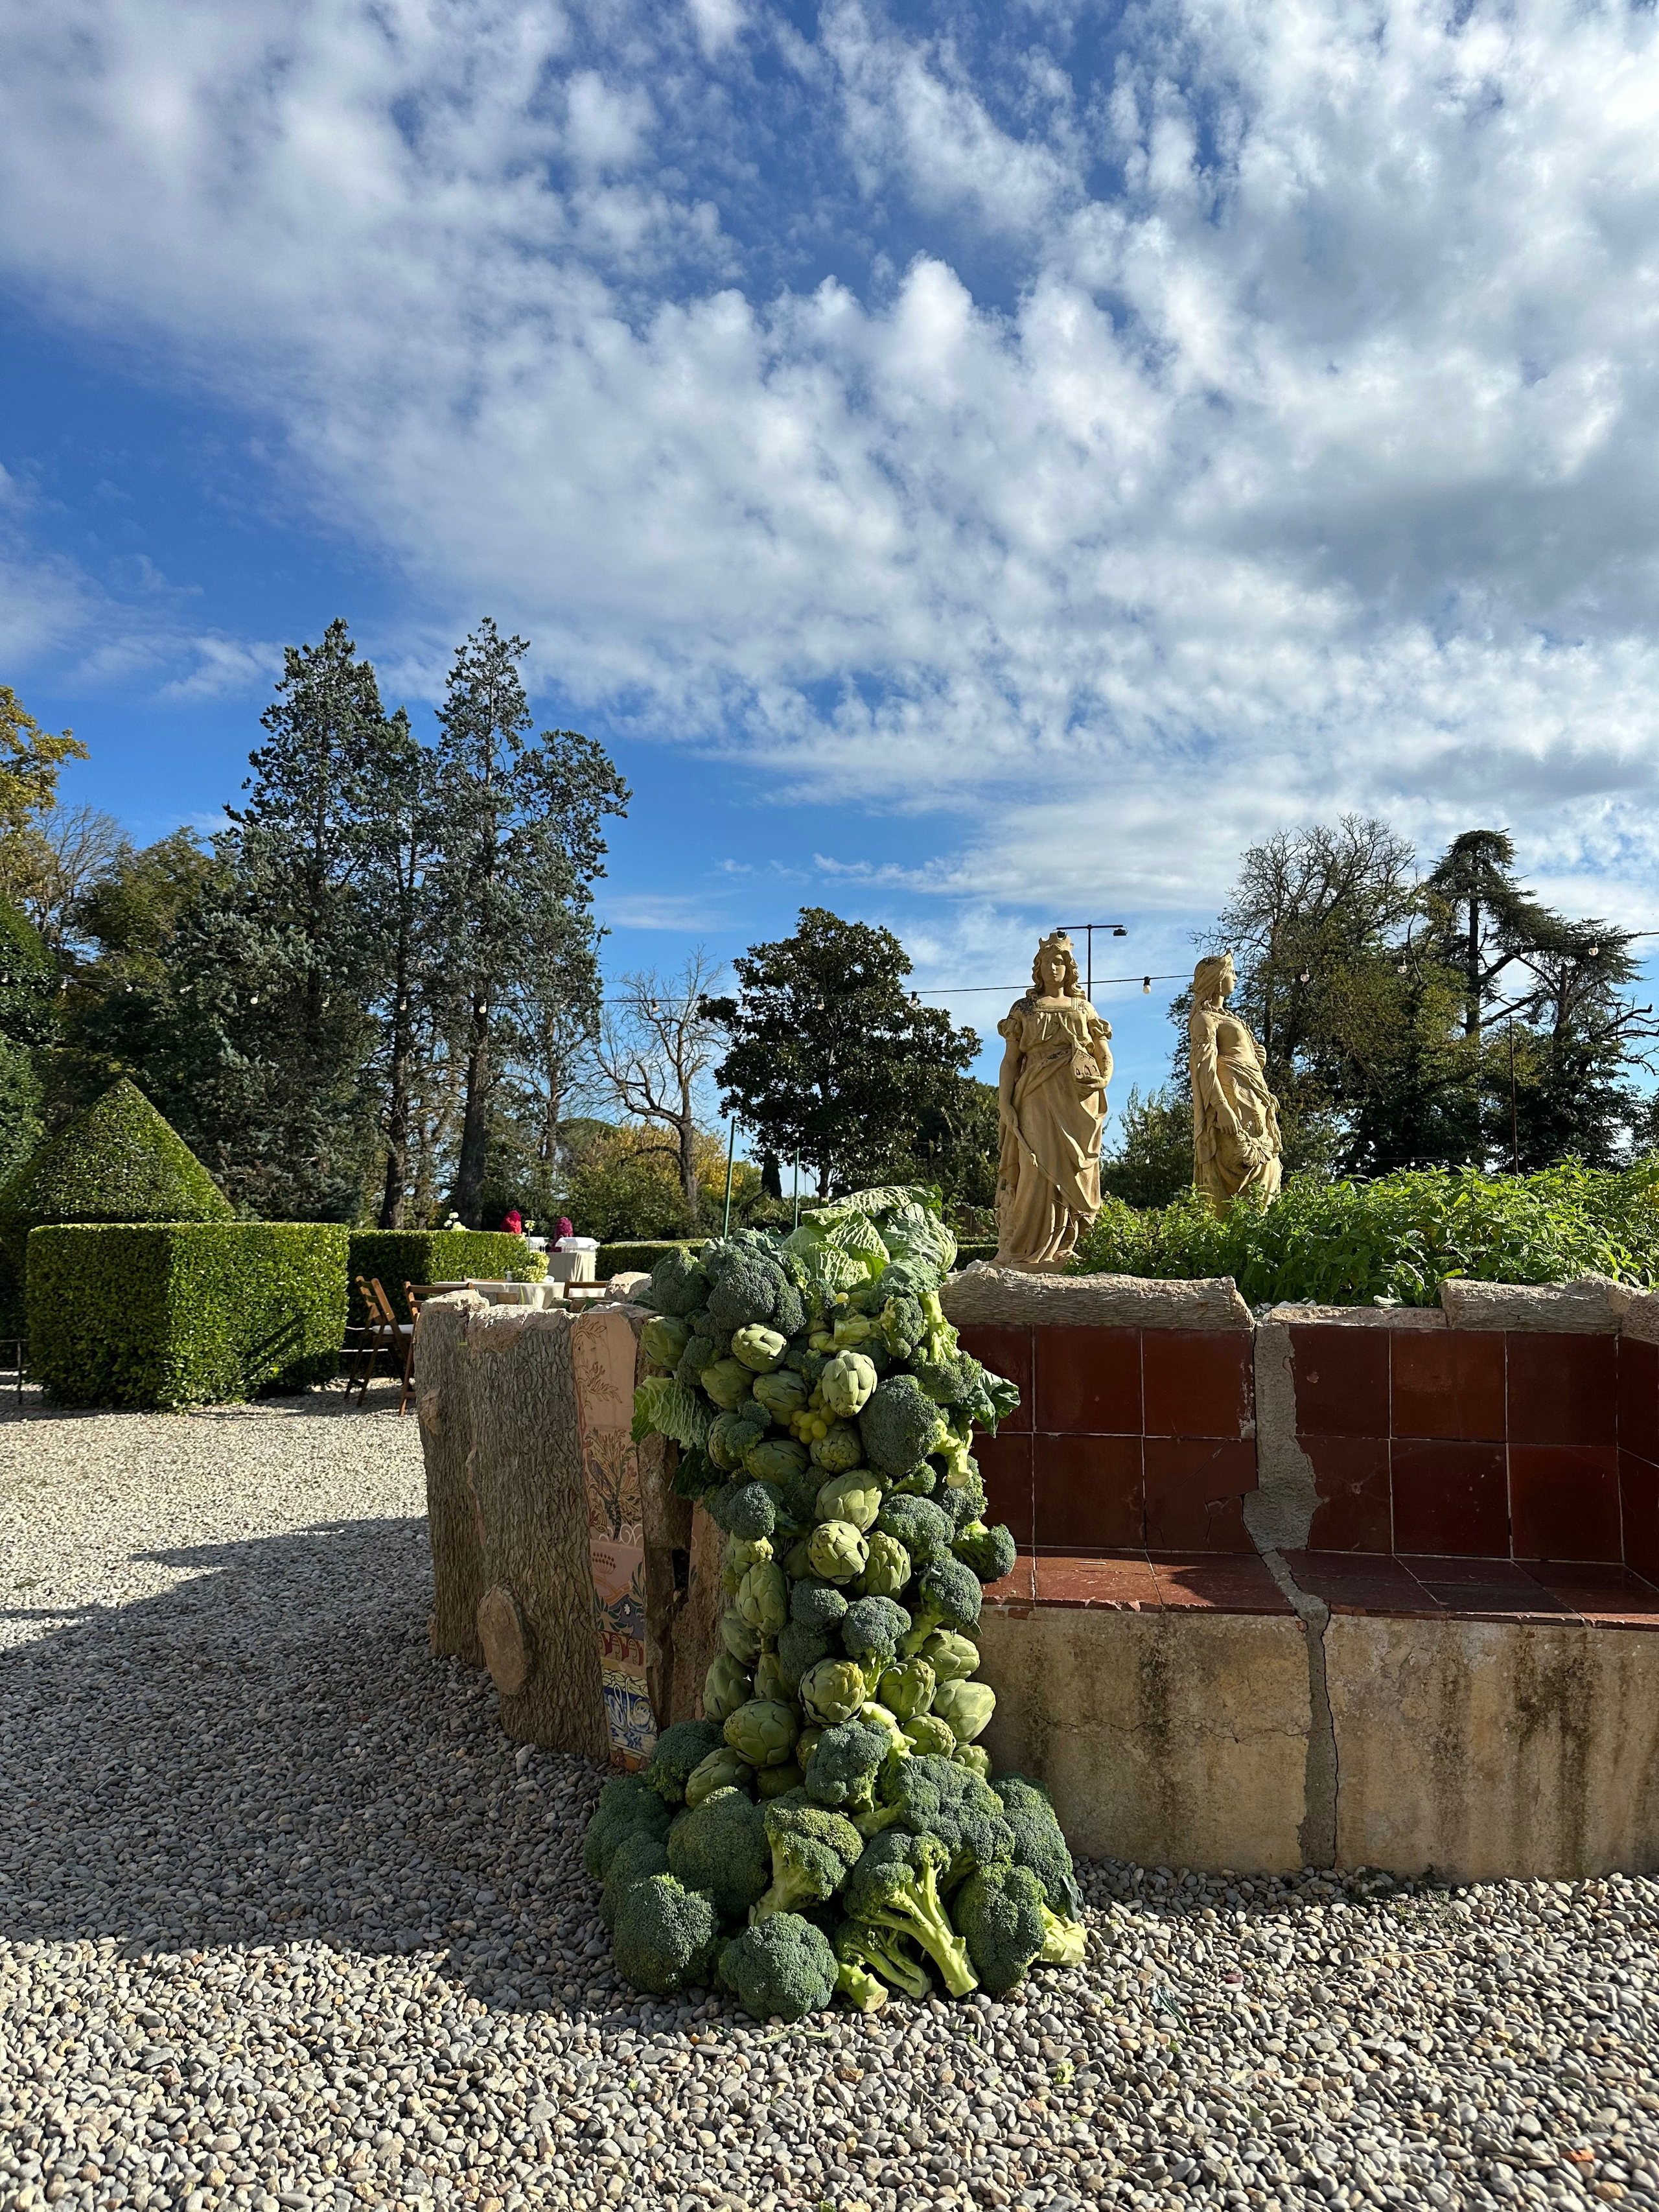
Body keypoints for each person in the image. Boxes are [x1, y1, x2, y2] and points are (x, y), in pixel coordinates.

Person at [993, 931, 1113, 1270]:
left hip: (1077, 1098)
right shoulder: (1024, 1009)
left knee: (1076, 1169)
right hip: (1035, 1091)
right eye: (1047, 962)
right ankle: (1026, 1248)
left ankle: (1068, 1247)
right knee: (1034, 1168)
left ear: (1069, 968)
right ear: (1039, 968)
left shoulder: (1084, 1008)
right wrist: (1004, 1100)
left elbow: (1103, 1052)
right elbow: (1010, 1060)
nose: (1053, 968)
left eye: (1060, 962)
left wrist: (1103, 1079)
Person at [1189, 951, 1282, 1212]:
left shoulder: (1228, 1018)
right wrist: (1222, 1108)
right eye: (1232, 973)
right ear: (1218, 980)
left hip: (1254, 1099)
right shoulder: (1204, 1020)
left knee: (1266, 1167)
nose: (1236, 978)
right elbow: (1204, 1068)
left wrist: (1257, 1058)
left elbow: (1238, 1059)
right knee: (1240, 1164)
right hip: (1233, 1104)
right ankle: (1231, 1237)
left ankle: (1258, 1233)